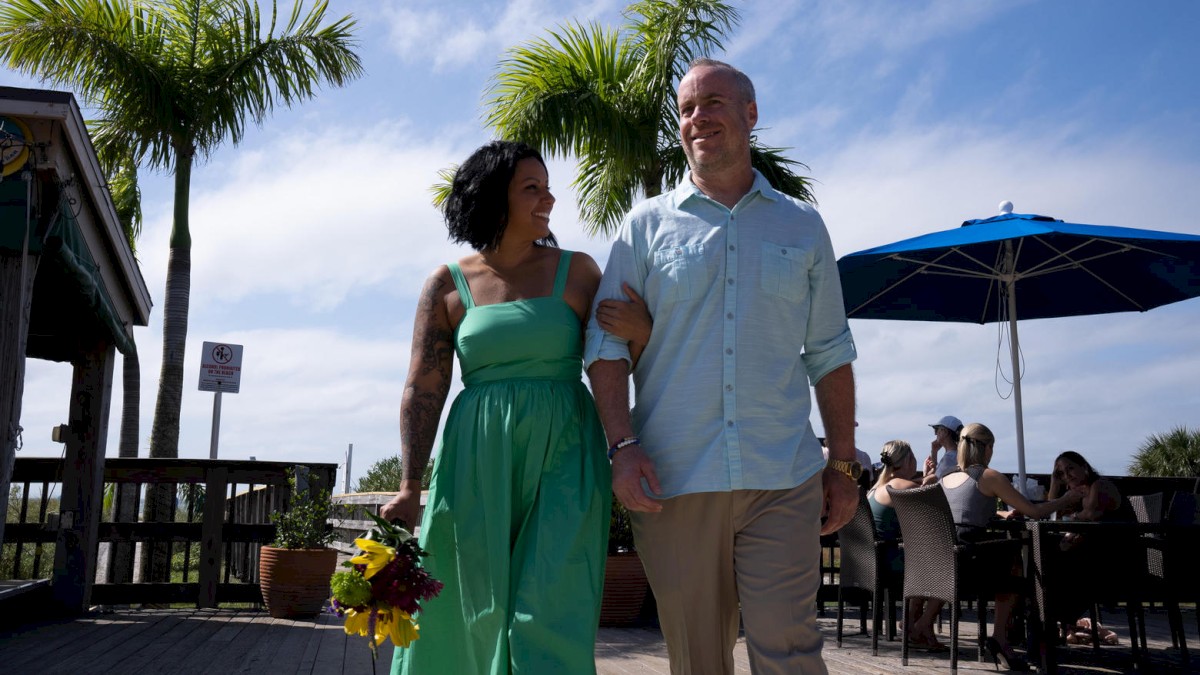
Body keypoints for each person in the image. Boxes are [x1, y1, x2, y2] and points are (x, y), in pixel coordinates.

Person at [585, 58, 859, 675]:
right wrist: (622, 447)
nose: (697, 118)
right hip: (675, 479)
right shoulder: (645, 226)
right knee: (698, 658)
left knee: (789, 647)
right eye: (686, 109)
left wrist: (841, 463)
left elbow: (830, 352)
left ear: (750, 114)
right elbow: (605, 349)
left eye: (711, 102)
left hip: (782, 476)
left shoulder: (803, 224)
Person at [380, 141, 647, 674]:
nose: (549, 197)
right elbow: (424, 385)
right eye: (532, 187)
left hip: (566, 454)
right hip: (475, 458)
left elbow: (609, 363)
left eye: (547, 186)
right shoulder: (447, 285)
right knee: (463, 604)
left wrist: (641, 336)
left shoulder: (578, 272)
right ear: (493, 198)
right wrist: (411, 485)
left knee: (552, 605)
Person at [941, 423, 1086, 671]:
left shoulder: (947, 478)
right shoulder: (988, 476)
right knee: (1015, 563)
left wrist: (1000, 514)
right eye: (992, 447)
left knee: (1007, 558)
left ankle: (1003, 638)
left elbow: (964, 515)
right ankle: (1002, 636)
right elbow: (1035, 511)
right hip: (970, 566)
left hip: (945, 562)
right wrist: (1066, 499)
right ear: (987, 448)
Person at [867, 440, 945, 651]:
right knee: (945, 565)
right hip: (891, 563)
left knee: (923, 557)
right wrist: (930, 478)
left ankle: (912, 623)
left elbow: (913, 487)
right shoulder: (900, 486)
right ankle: (921, 625)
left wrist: (924, 478)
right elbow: (926, 498)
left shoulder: (875, 488)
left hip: (874, 561)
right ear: (907, 461)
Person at [921, 414, 963, 485]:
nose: (935, 433)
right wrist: (934, 452)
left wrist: (925, 474)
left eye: (937, 429)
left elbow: (933, 482)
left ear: (946, 432)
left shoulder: (950, 458)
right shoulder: (955, 454)